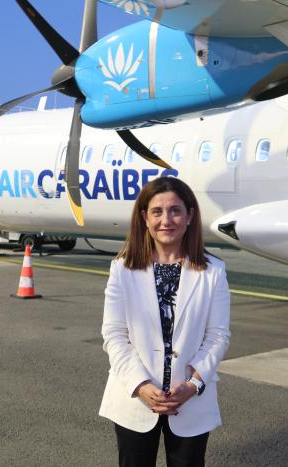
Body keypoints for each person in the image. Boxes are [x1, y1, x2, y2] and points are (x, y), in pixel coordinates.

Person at [99, 176, 231, 467]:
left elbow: (218, 336)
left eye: (175, 210)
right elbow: (115, 334)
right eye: (157, 211)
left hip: (190, 400)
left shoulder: (213, 272)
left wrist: (193, 384)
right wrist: (141, 384)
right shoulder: (122, 269)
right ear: (144, 217)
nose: (166, 219)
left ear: (189, 216)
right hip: (135, 395)